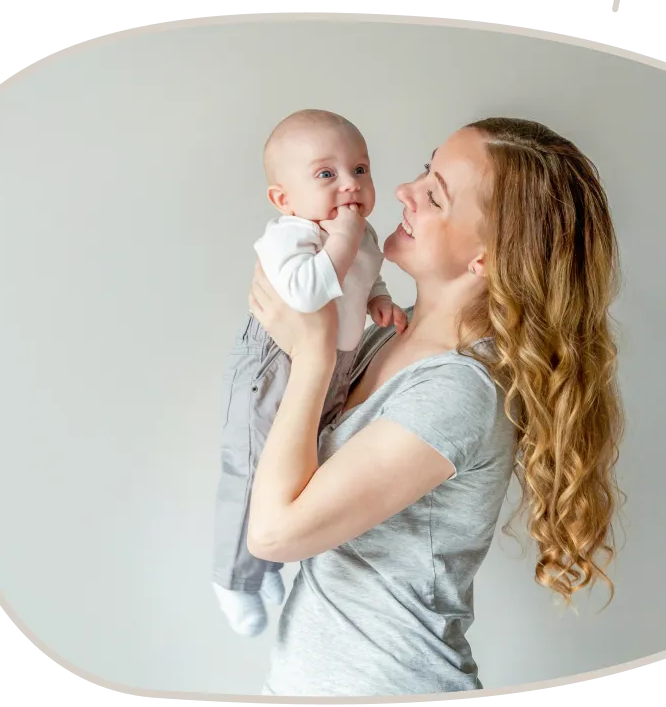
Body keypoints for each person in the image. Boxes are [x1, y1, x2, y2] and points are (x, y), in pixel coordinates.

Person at [244, 117, 625, 697]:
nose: (404, 191)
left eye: (435, 194)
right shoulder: (380, 338)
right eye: (425, 170)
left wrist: (313, 354)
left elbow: (275, 534)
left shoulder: (458, 390)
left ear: (485, 259)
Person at [210, 109, 407, 637]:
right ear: (283, 198)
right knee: (253, 465)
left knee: (298, 465)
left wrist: (380, 301)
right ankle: (233, 578)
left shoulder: (358, 235)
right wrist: (342, 238)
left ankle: (262, 565)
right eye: (327, 174)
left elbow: (367, 276)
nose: (350, 186)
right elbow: (305, 294)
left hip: (330, 363)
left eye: (360, 169)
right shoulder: (292, 235)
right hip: (276, 361)